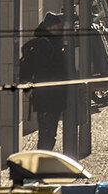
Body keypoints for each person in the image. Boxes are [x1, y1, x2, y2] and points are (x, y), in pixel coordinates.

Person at [19, 12, 68, 150]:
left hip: (52, 96)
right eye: (58, 26)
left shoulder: (54, 41)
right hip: (48, 97)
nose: (61, 28)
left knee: (49, 134)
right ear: (50, 27)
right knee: (47, 134)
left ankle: (43, 162)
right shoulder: (45, 44)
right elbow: (43, 71)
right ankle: (41, 164)